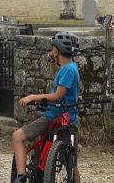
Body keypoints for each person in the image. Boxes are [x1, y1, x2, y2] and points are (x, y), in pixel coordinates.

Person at [12, 31, 82, 183]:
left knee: (17, 136)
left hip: (57, 115)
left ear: (57, 50)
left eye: (53, 49)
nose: (51, 52)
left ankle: (21, 176)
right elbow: (55, 76)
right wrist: (53, 61)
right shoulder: (69, 67)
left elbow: (58, 95)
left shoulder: (68, 70)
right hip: (69, 117)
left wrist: (32, 97)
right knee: (71, 163)